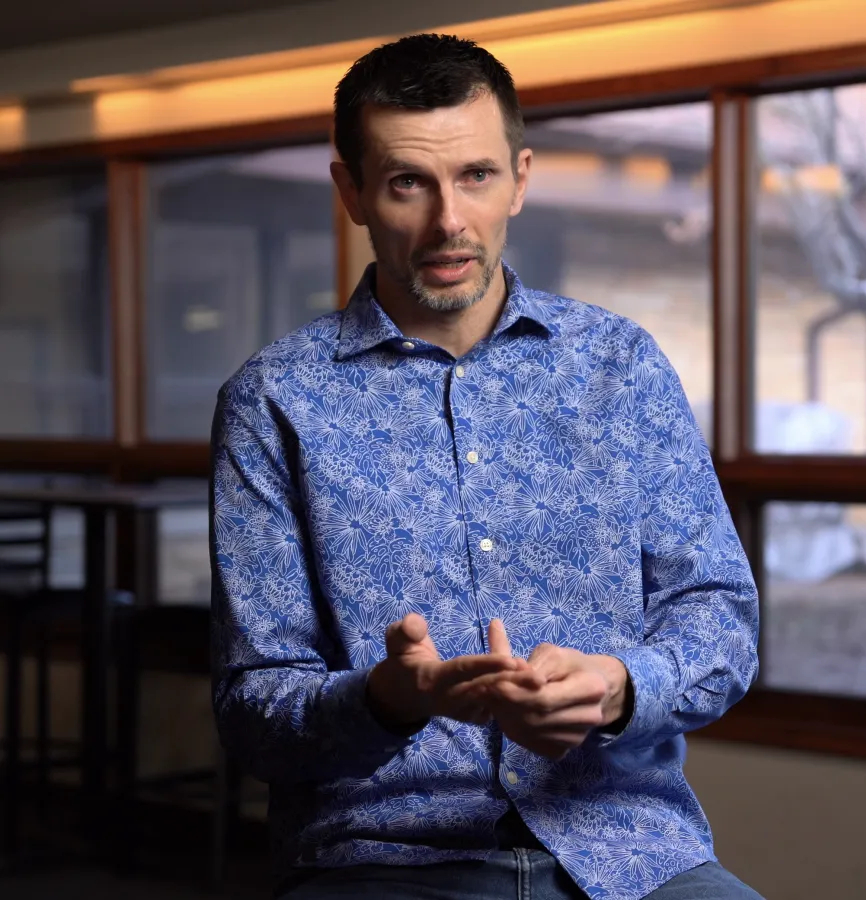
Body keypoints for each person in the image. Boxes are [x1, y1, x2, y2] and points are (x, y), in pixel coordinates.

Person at [210, 33, 763, 900]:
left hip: (631, 852)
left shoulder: (619, 365)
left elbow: (719, 617)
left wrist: (621, 686)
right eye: (406, 183)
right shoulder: (273, 401)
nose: (449, 223)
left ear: (522, 178)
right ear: (351, 192)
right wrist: (386, 700)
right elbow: (254, 709)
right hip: (381, 862)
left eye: (476, 176)